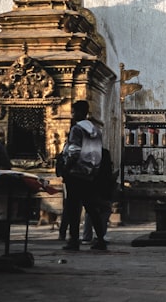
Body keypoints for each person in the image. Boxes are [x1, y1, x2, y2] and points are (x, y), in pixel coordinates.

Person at [60, 100, 107, 251]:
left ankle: (74, 240)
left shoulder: (77, 129)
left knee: (73, 208)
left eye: (73, 112)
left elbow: (73, 151)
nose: (72, 115)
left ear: (80, 112)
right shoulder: (95, 130)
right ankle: (100, 239)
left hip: (75, 173)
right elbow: (98, 153)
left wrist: (66, 168)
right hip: (90, 173)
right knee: (92, 208)